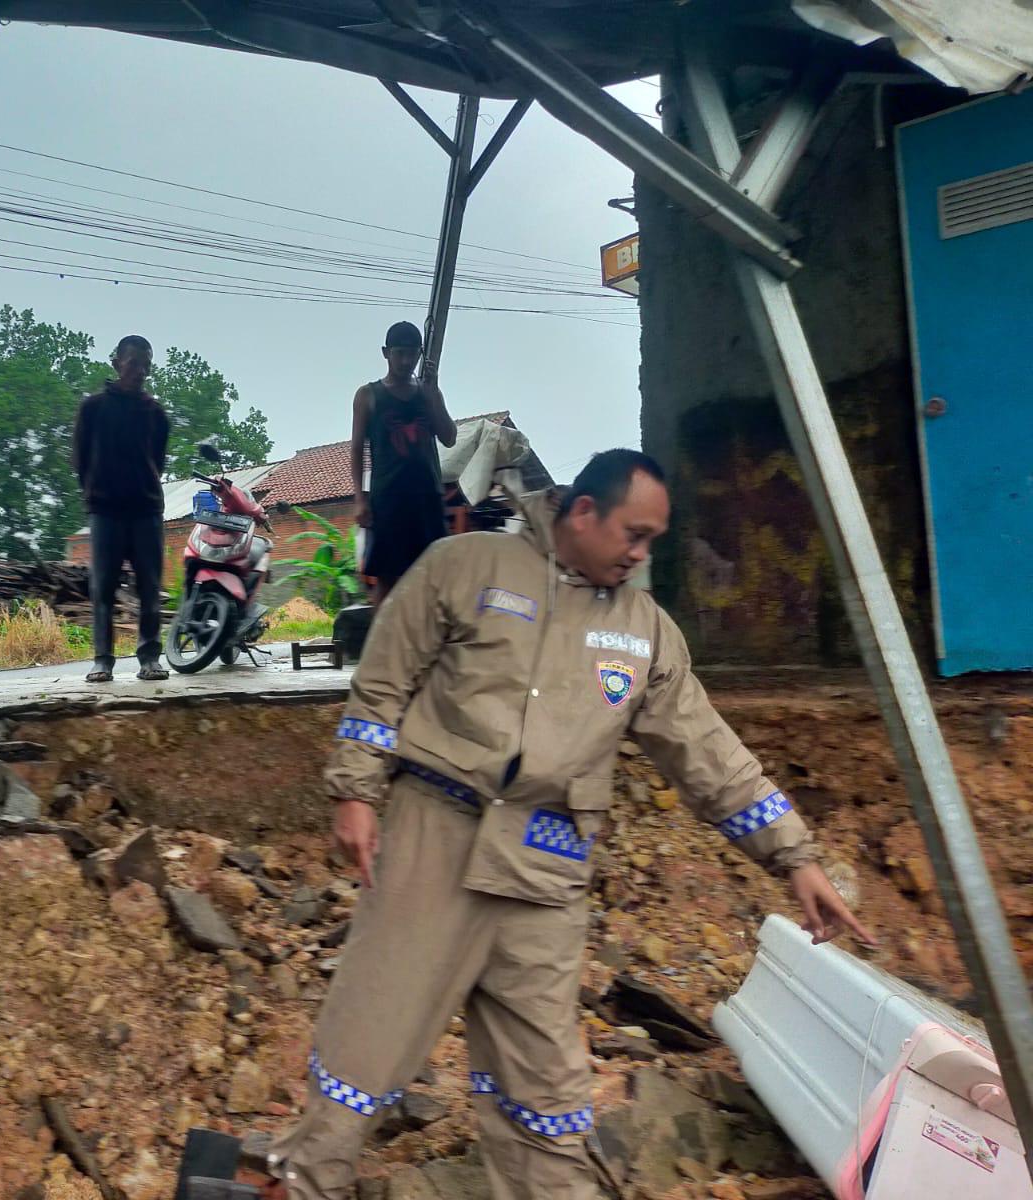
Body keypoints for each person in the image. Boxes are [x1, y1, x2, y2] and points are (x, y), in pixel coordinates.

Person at [263, 450, 875, 1200]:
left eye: (653, 541)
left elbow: (708, 752)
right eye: (634, 534)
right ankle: (301, 1179)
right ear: (582, 511)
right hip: (438, 832)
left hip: (547, 863)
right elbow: (384, 678)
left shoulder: (643, 630)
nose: (641, 554)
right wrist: (355, 792)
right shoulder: (466, 566)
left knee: (545, 1074)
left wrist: (794, 857)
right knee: (373, 1028)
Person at [72, 335, 171, 684]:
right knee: (102, 588)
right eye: (132, 363)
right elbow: (80, 459)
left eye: (145, 364)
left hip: (146, 510)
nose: (139, 371)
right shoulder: (93, 408)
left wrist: (142, 488)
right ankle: (102, 660)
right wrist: (96, 494)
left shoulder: (155, 413)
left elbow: (156, 461)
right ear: (117, 363)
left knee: (149, 587)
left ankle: (149, 657)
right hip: (106, 512)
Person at [351, 321, 457, 604]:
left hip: (428, 498)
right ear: (386, 353)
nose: (406, 360)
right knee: (387, 579)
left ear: (420, 354)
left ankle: (424, 642)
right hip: (388, 499)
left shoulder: (427, 393)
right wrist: (361, 499)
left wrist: (434, 394)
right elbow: (356, 449)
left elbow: (449, 437)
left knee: (434, 575)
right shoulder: (368, 395)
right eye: (399, 353)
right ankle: (382, 645)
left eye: (412, 354)